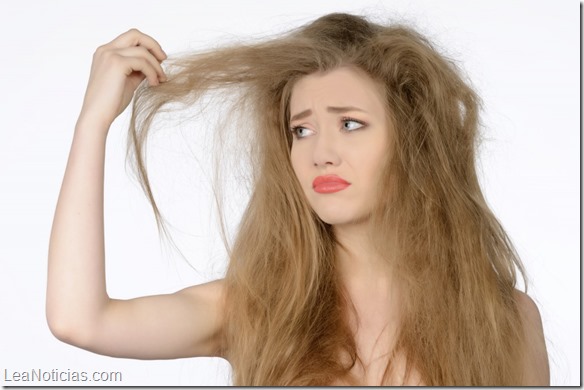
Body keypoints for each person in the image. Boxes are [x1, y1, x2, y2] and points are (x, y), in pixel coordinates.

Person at [46, 13, 549, 386]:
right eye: (301, 130)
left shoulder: (503, 318)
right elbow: (80, 320)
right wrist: (92, 124)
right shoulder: (259, 308)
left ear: (413, 139)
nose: (320, 154)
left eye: (350, 123)